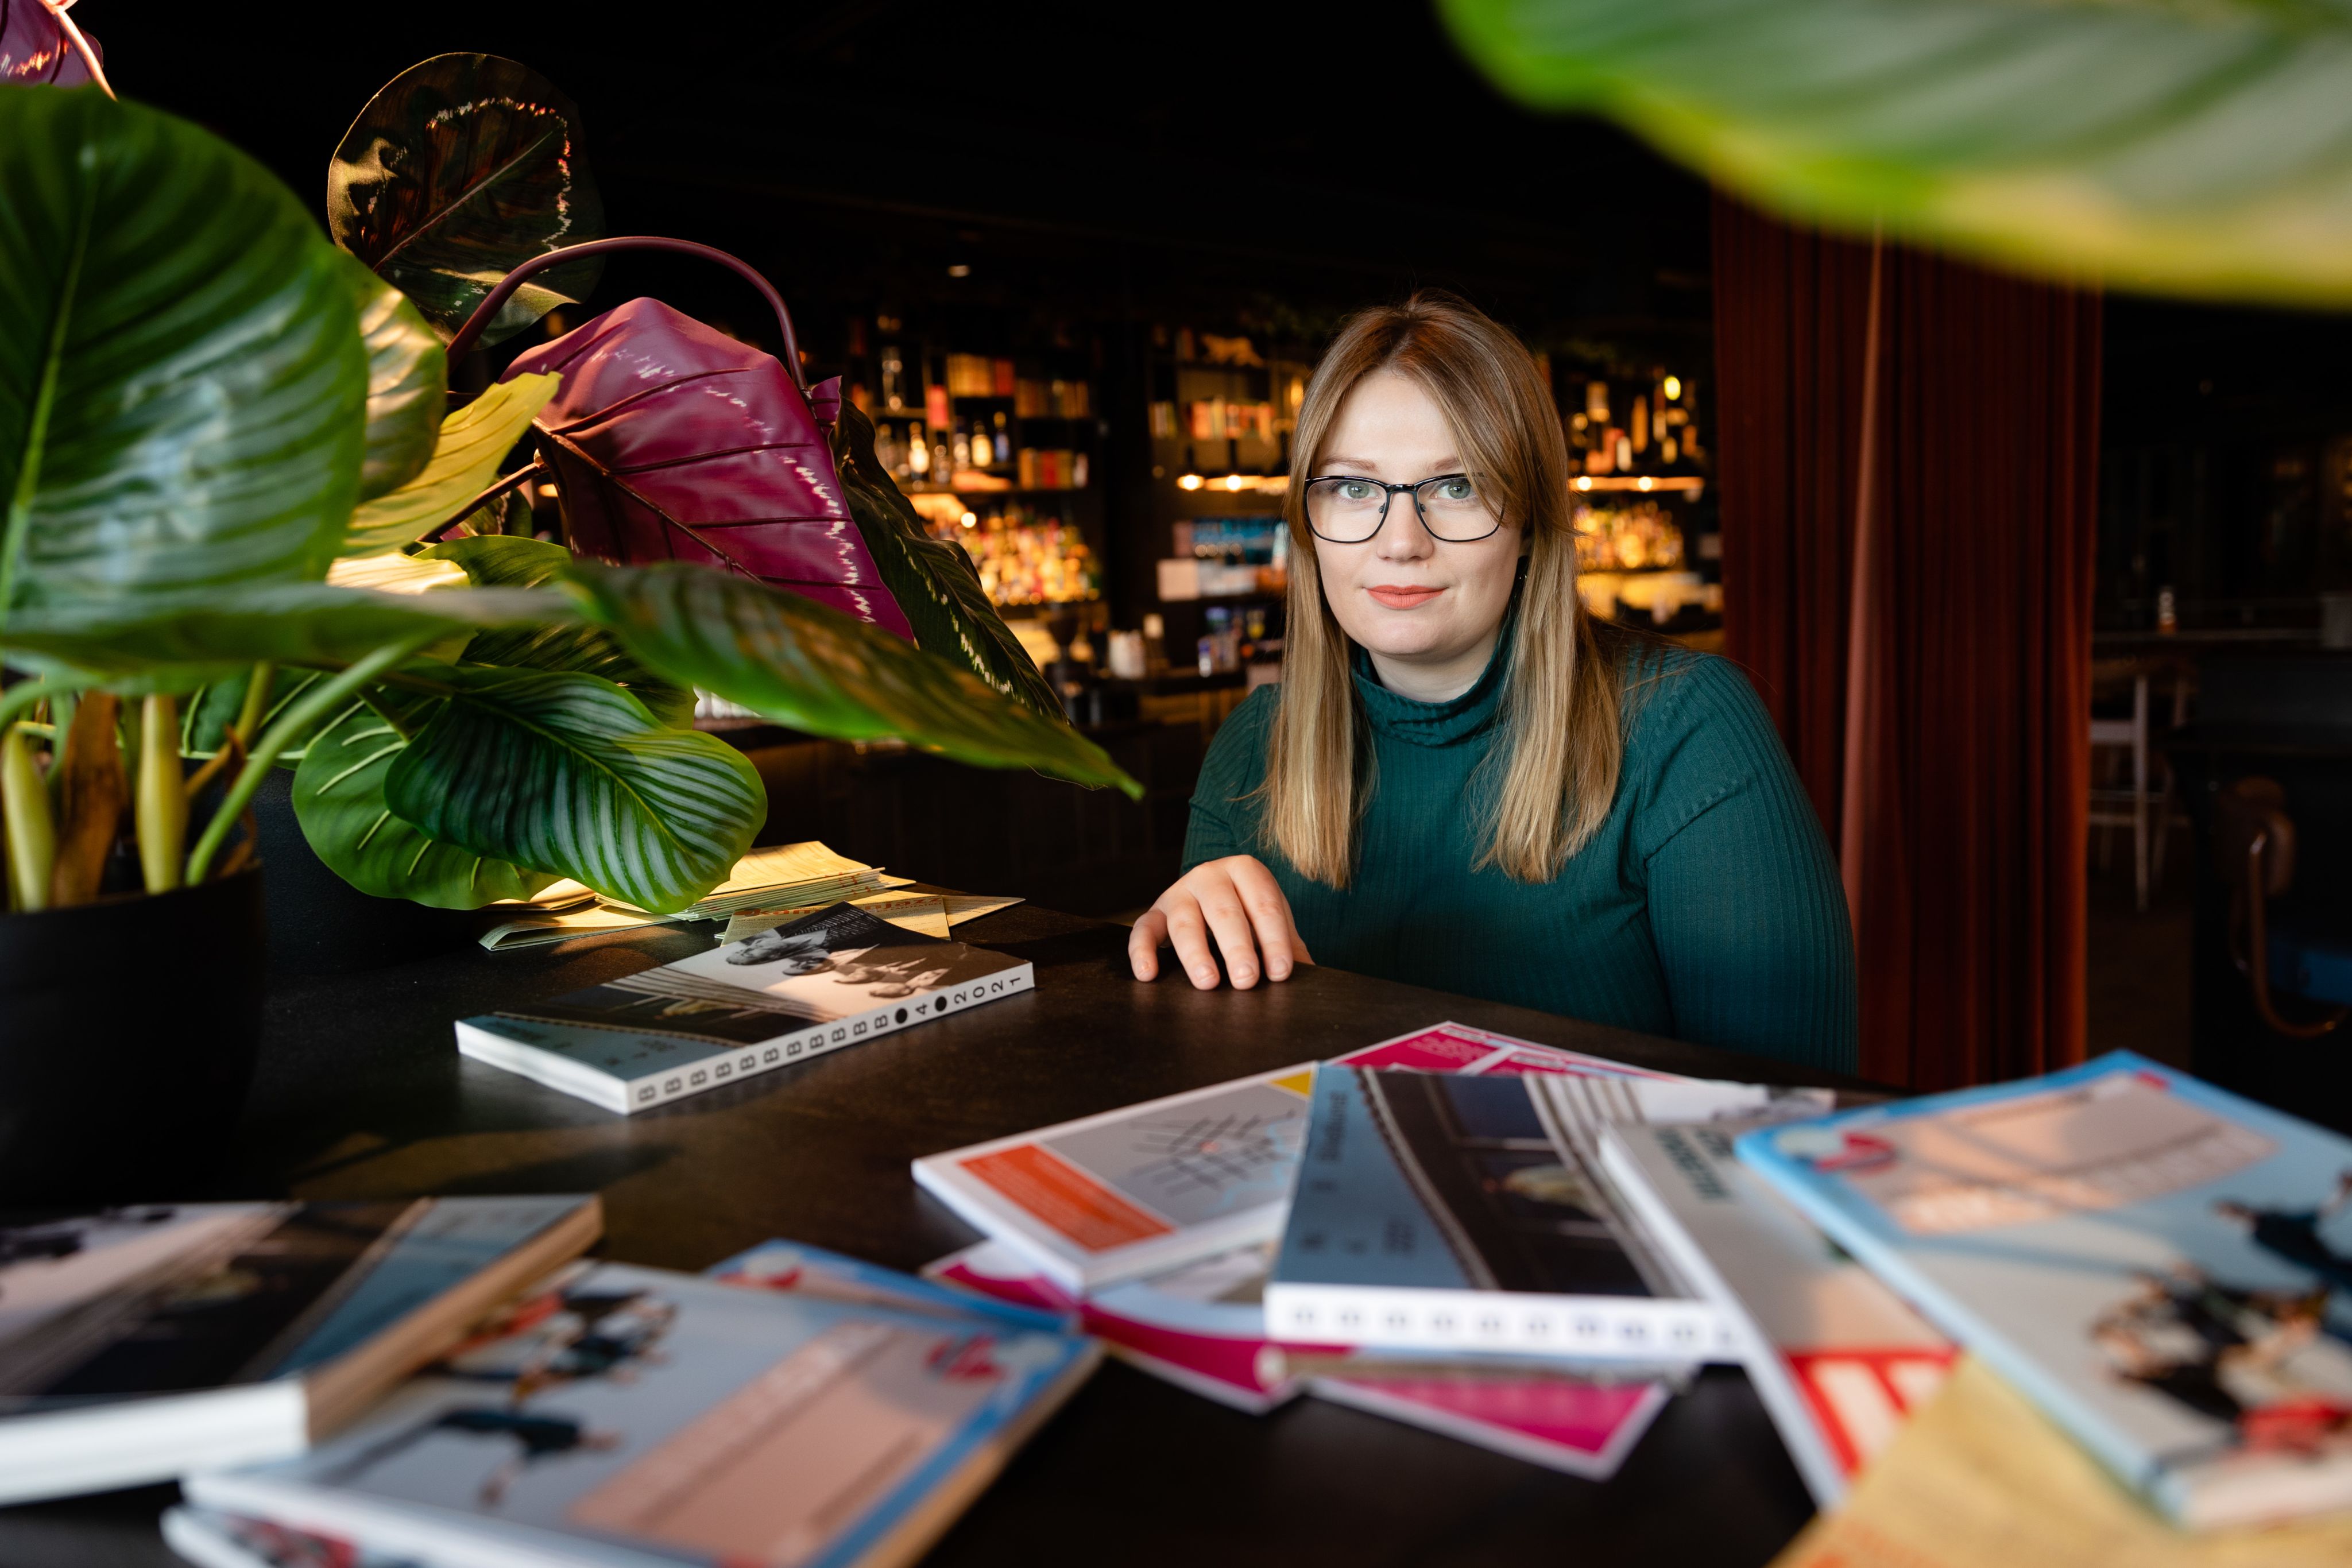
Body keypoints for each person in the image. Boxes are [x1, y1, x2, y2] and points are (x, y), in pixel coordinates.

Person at [1127, 293, 1856, 1072]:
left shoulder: (1684, 729)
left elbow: (1790, 1109)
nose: (1400, 543)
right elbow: (1234, 1096)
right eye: (1353, 488)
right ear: (1308, 524)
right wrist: (1189, 993)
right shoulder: (1253, 746)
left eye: (1458, 486)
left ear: (1532, 521)